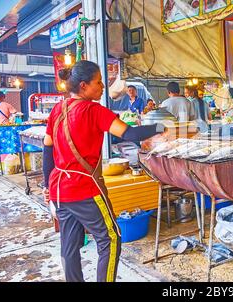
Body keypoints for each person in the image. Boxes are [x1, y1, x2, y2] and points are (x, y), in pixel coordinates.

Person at [42, 60, 166, 282]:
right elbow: (129, 134)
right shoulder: (94, 110)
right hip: (84, 189)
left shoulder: (57, 111)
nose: (102, 87)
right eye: (98, 83)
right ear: (83, 86)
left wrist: (46, 186)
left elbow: (47, 148)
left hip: (59, 189)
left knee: (69, 245)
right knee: (110, 240)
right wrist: (161, 127)